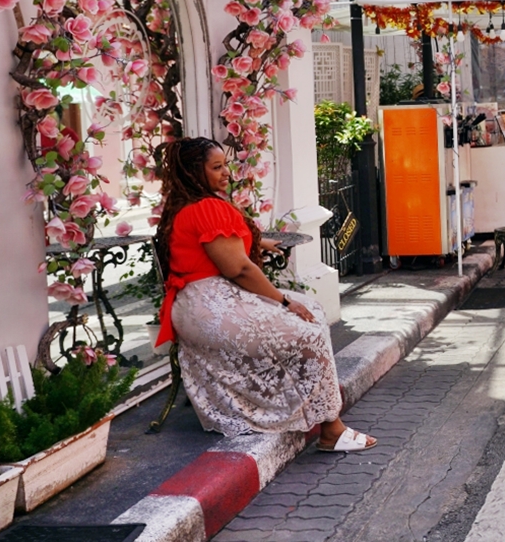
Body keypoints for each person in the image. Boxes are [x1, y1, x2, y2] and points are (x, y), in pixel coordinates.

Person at [153, 138, 375, 451]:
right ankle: (330, 428)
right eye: (216, 167)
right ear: (193, 172)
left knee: (312, 310)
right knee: (307, 331)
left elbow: (215, 252)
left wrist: (260, 245)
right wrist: (284, 301)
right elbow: (239, 269)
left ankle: (302, 407)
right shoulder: (207, 208)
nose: (226, 173)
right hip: (210, 303)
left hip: (198, 302)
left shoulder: (185, 205)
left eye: (225, 164)